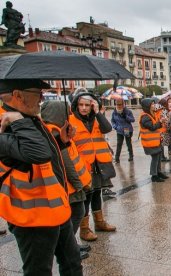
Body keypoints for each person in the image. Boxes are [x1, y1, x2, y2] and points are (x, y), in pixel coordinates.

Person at [0, 79, 82, 275]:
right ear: (18, 95)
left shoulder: (29, 119)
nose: (43, 98)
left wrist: (60, 141)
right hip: (32, 216)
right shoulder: (6, 125)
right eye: (38, 92)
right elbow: (38, 153)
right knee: (39, 271)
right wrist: (16, 119)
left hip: (55, 210)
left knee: (72, 263)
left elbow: (40, 158)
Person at [41, 101, 92, 260]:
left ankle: (71, 245)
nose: (69, 115)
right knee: (77, 213)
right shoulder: (55, 134)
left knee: (74, 215)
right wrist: (78, 185)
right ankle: (67, 247)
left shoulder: (52, 131)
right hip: (70, 186)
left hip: (68, 184)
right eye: (66, 113)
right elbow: (67, 163)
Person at [70, 92, 117, 241]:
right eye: (81, 105)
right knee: (86, 197)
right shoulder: (71, 120)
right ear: (76, 105)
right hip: (82, 165)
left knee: (97, 193)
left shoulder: (96, 118)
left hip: (98, 163)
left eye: (87, 105)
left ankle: (99, 222)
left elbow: (107, 128)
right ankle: (84, 229)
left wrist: (98, 112)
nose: (84, 108)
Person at [139, 98, 169, 182]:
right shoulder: (145, 116)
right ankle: (154, 175)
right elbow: (152, 127)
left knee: (158, 157)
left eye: (153, 104)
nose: (153, 106)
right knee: (155, 158)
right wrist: (160, 122)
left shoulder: (151, 114)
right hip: (150, 142)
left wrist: (160, 121)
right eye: (151, 104)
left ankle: (158, 172)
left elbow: (156, 124)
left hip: (155, 141)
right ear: (147, 106)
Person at [111, 99, 135, 163]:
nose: (119, 106)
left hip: (127, 129)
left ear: (123, 104)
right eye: (117, 104)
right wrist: (115, 126)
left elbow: (133, 120)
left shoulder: (127, 111)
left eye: (120, 104)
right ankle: (117, 158)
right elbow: (112, 121)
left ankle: (131, 155)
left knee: (128, 143)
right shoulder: (114, 112)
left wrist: (126, 116)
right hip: (119, 130)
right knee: (119, 144)